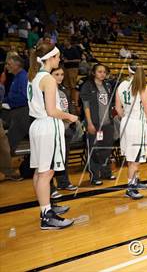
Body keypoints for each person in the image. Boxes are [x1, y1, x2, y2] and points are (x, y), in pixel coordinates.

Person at [27, 41, 78, 229]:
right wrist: (70, 116)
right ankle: (46, 215)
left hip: (37, 126)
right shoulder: (48, 79)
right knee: (47, 172)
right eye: (57, 56)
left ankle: (46, 207)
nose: (59, 59)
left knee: (40, 172)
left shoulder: (33, 76)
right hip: (48, 126)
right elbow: (51, 110)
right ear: (50, 58)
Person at [115, 61, 147, 199]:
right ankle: (129, 187)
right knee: (135, 159)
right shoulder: (142, 86)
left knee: (131, 156)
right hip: (137, 124)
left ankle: (135, 181)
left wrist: (126, 117)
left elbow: (117, 108)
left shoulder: (121, 85)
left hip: (126, 122)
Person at [80, 64, 116, 185]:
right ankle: (94, 175)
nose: (102, 74)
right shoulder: (87, 86)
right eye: (100, 72)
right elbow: (86, 106)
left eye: (104, 72)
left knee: (106, 148)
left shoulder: (107, 85)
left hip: (107, 123)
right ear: (94, 73)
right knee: (94, 150)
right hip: (94, 124)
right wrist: (89, 123)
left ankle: (106, 172)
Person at [49, 65, 78, 193]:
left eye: (61, 74)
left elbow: (68, 108)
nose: (60, 77)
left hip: (65, 130)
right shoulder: (47, 92)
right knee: (50, 161)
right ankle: (50, 188)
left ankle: (63, 182)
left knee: (64, 158)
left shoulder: (63, 91)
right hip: (52, 130)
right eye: (57, 74)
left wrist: (72, 123)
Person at [2, 54, 30, 154]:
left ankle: (6, 167)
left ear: (17, 65)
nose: (6, 66)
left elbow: (24, 97)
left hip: (21, 114)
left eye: (9, 64)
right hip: (16, 112)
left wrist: (7, 101)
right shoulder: (17, 76)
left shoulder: (23, 77)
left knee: (8, 145)